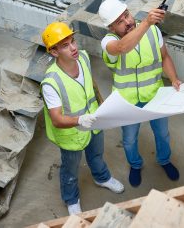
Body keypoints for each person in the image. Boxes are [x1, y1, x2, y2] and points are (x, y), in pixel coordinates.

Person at [40, 22, 124, 215]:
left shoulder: (84, 58)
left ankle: (101, 178)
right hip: (71, 134)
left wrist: (102, 105)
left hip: (94, 121)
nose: (74, 48)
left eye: (73, 41)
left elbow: (91, 84)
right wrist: (80, 120)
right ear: (54, 52)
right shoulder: (51, 82)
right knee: (70, 169)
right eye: (65, 45)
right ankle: (71, 199)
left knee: (96, 155)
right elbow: (56, 119)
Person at [98, 0, 181, 187]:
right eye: (119, 21)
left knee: (162, 134)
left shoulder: (153, 31)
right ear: (111, 28)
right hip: (127, 102)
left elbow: (164, 56)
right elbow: (122, 48)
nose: (127, 22)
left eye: (126, 15)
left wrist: (174, 79)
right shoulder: (109, 42)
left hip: (155, 94)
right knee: (128, 141)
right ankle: (135, 165)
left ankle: (164, 160)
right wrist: (146, 22)